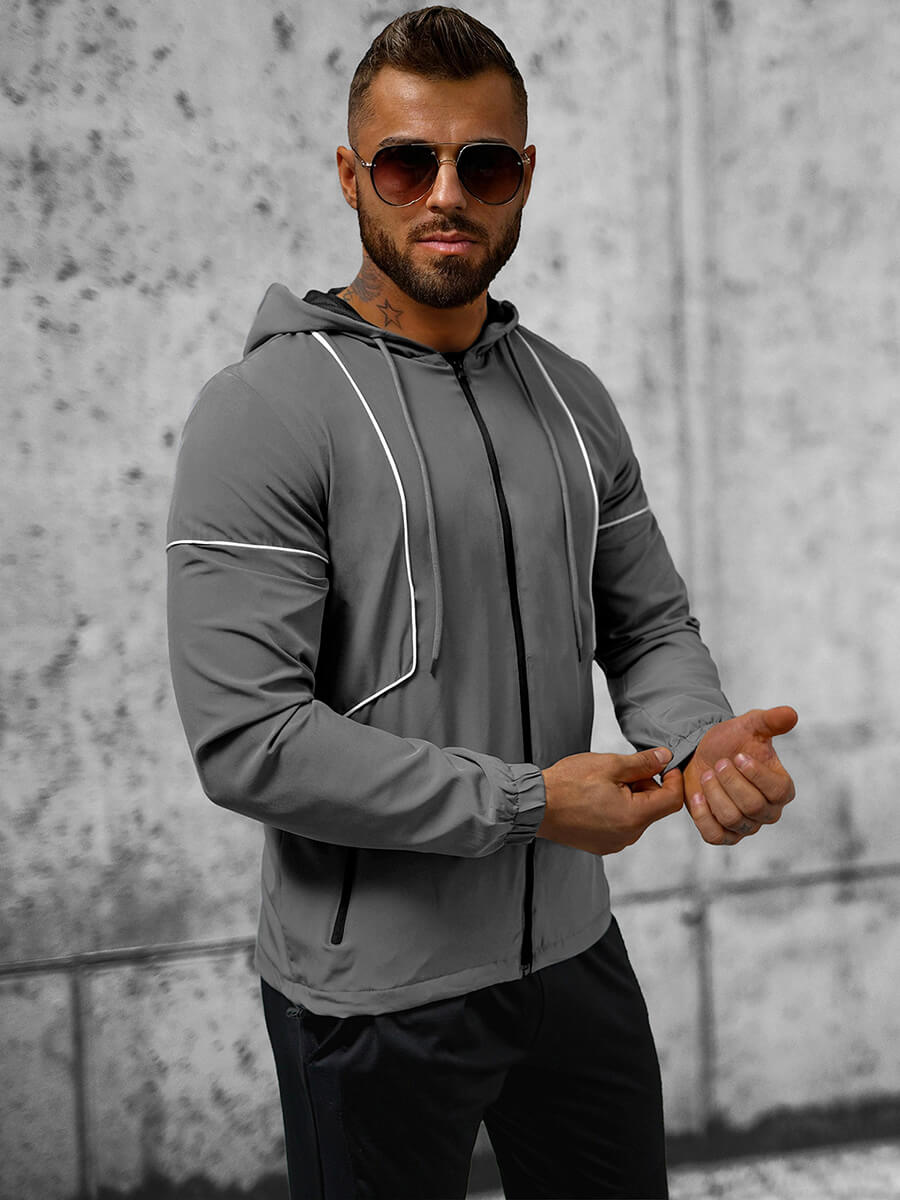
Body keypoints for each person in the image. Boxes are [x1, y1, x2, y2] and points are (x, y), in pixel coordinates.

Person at [166, 7, 798, 1198]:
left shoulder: (570, 397)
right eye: (408, 163)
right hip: (371, 996)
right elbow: (248, 741)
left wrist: (699, 741)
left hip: (571, 956)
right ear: (351, 175)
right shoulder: (262, 412)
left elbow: (649, 625)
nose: (447, 194)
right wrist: (527, 806)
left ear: (526, 176)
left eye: (485, 163)